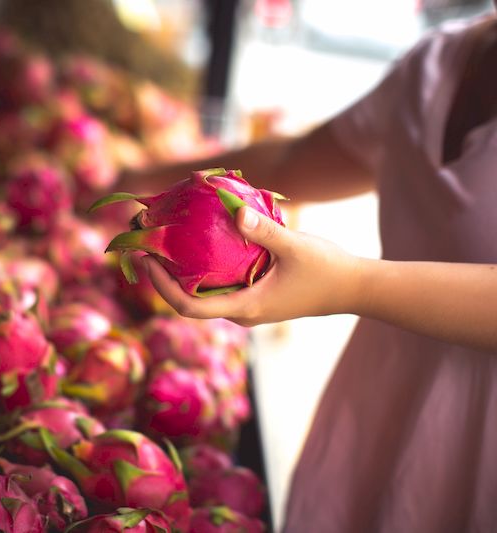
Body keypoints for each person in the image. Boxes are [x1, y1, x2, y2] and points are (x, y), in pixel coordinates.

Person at [119, 8, 497, 533]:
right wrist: (141, 182)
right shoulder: (439, 60)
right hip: (380, 405)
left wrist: (352, 285)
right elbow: (296, 160)